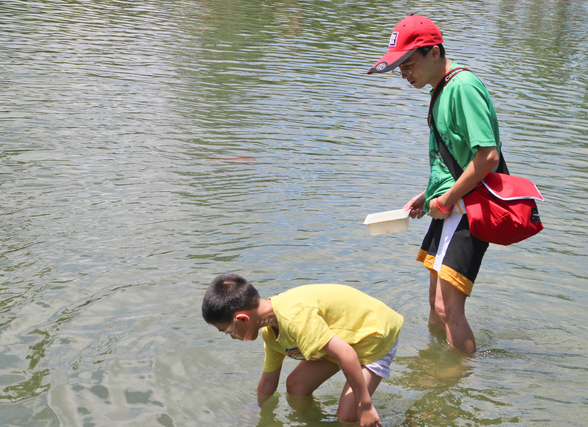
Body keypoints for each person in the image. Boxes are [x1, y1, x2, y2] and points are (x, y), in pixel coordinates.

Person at [368, 14, 502, 355]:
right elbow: (453, 157)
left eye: (408, 64)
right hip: (449, 206)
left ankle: (458, 380)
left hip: (468, 210)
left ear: (435, 53)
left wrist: (445, 200)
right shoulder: (441, 89)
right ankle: (434, 364)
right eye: (399, 67)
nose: (404, 74)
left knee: (447, 308)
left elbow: (487, 158)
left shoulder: (462, 87)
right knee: (434, 303)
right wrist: (429, 194)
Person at [202, 273, 404, 427]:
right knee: (296, 386)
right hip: (343, 337)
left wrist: (365, 406)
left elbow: (347, 354)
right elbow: (268, 381)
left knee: (347, 416)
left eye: (228, 331)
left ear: (242, 319)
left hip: (374, 334)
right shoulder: (270, 333)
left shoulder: (295, 319)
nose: (232, 337)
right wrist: (256, 409)